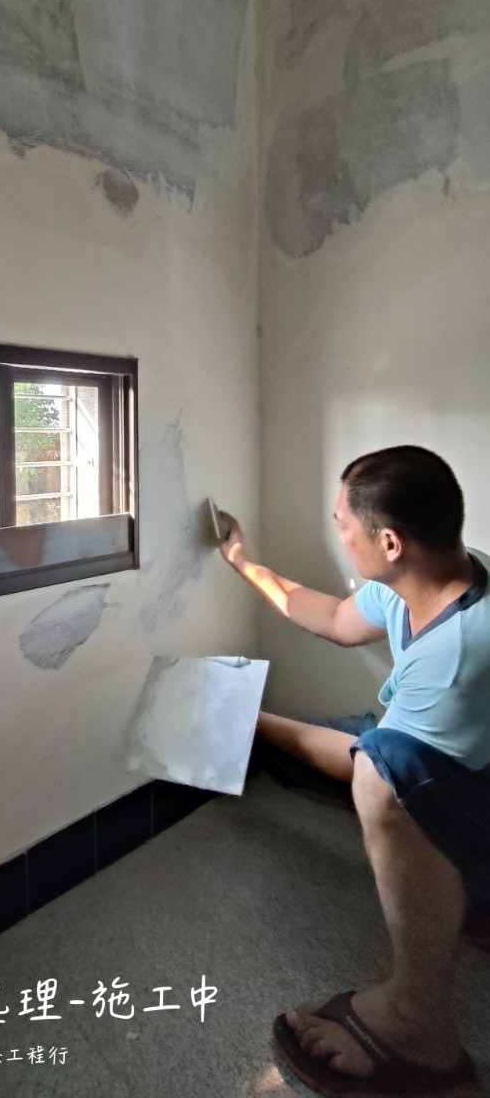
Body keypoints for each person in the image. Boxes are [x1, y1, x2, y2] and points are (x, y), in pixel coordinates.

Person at [218, 445, 490, 1097]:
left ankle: (418, 1028)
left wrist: (249, 719)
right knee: (375, 750)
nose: (339, 534)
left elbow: (374, 766)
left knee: (379, 767)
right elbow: (337, 620)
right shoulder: (440, 571)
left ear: (390, 543)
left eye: (342, 524)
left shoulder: (457, 659)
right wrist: (242, 562)